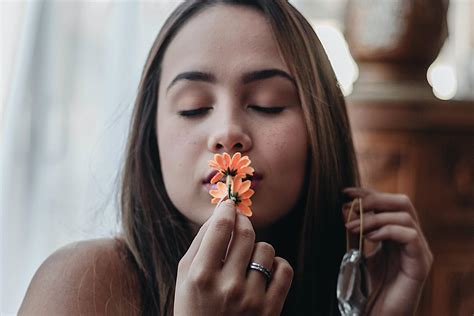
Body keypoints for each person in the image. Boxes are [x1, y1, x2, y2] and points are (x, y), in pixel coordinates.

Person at [19, 0, 433, 315]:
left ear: (320, 132)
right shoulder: (83, 285)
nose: (228, 133)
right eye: (193, 108)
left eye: (268, 104)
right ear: (151, 139)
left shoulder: (358, 286)